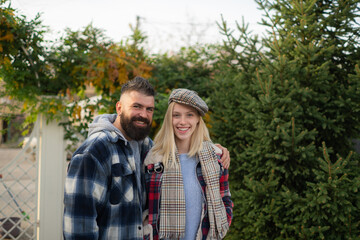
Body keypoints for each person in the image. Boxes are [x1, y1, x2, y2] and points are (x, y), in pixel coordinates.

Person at [63, 77, 230, 240]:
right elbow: (79, 225)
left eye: (149, 109)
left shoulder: (146, 147)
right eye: (137, 106)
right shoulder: (94, 151)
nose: (143, 114)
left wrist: (217, 150)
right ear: (119, 108)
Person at [144, 88, 233, 240]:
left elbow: (225, 198)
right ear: (169, 119)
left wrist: (222, 225)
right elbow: (145, 208)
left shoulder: (215, 158)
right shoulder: (154, 160)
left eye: (189, 115)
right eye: (176, 115)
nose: (182, 122)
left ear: (198, 119)